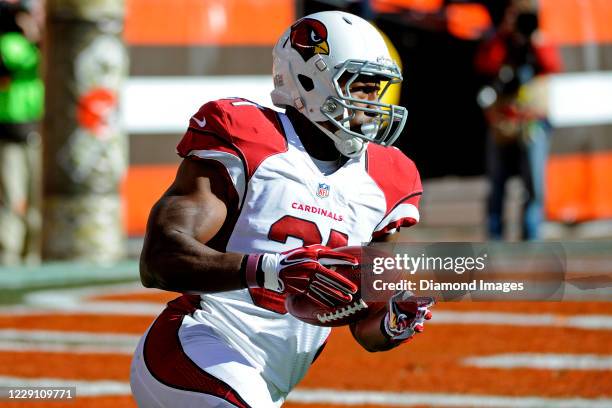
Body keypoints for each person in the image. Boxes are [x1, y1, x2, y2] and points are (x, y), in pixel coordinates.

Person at [130, 11, 434, 408]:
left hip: (267, 381)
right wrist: (270, 269)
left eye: (377, 91)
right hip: (196, 345)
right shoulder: (250, 137)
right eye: (359, 87)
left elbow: (362, 320)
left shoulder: (388, 177)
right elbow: (159, 258)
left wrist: (393, 320)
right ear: (309, 79)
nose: (372, 104)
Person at [475, 0, 562, 240]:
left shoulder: (539, 41)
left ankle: (531, 235)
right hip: (502, 124)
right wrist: (503, 36)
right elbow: (486, 64)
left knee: (534, 185)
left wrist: (533, 39)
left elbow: (552, 65)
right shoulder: (499, 42)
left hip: (532, 123)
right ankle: (495, 236)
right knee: (497, 184)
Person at [0, 0, 44, 264]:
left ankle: (28, 256)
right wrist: (34, 37)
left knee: (33, 202)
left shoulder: (34, 48)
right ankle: (12, 255)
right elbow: (23, 67)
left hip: (31, 133)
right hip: (12, 135)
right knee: (13, 200)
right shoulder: (10, 45)